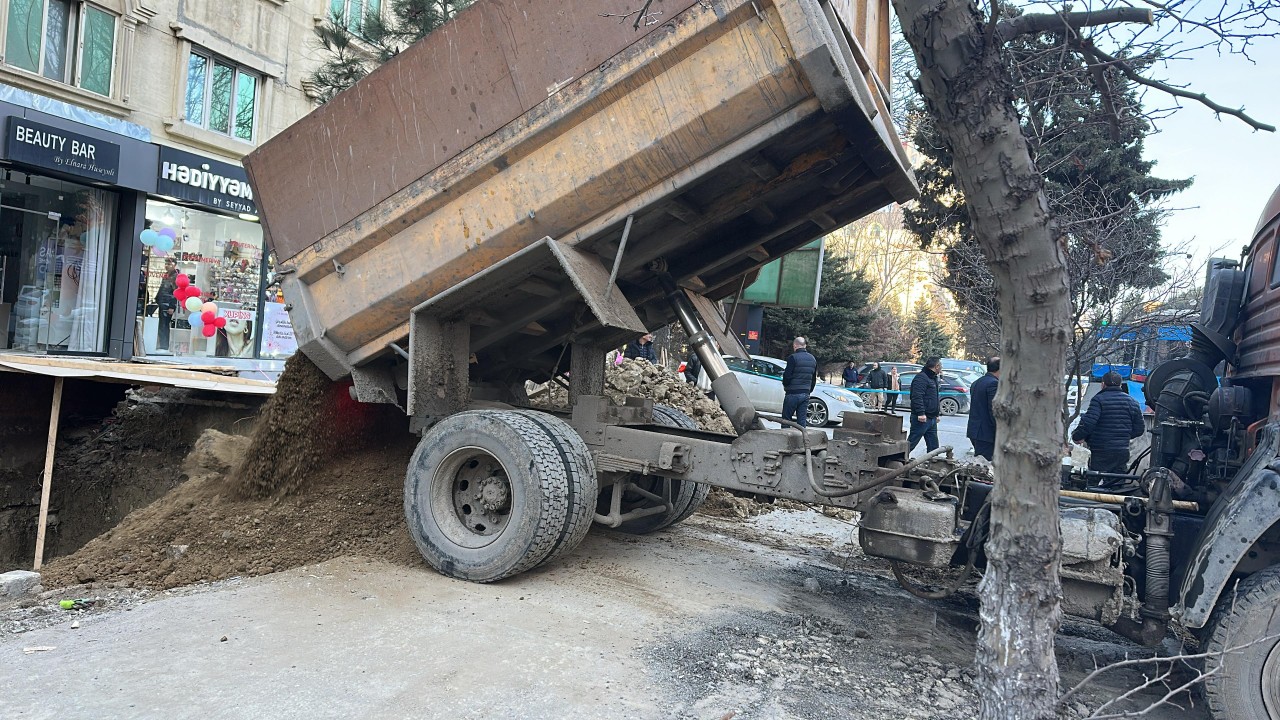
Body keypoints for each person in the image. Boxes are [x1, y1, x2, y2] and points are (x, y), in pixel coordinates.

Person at [1071, 371, 1146, 480]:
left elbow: (1089, 422)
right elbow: (1139, 429)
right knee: (1117, 483)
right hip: (1121, 451)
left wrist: (1077, 436)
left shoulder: (1098, 400)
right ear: (1120, 385)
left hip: (1101, 450)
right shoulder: (1133, 402)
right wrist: (1122, 437)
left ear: (1103, 384)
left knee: (1094, 482)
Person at [966, 357, 1000, 461]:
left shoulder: (977, 382)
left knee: (981, 462)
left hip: (975, 431)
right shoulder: (994, 384)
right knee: (986, 466)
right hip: (986, 433)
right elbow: (993, 410)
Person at [907, 357, 943, 452]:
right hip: (922, 419)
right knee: (911, 443)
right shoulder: (921, 378)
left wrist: (936, 414)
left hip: (931, 418)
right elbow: (917, 397)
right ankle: (897, 460)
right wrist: (921, 413)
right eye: (941, 366)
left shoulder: (933, 378)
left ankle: (933, 464)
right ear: (937, 366)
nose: (941, 369)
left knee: (934, 447)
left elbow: (934, 398)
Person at [781, 337, 817, 427]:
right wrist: (809, 390)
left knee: (786, 420)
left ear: (795, 345)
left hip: (792, 392)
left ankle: (786, 439)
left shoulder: (793, 358)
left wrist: (786, 385)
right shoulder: (813, 359)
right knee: (801, 421)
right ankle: (802, 439)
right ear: (805, 346)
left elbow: (787, 376)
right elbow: (813, 379)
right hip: (805, 393)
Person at [155, 258, 178, 351]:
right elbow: (162, 289)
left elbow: (176, 292)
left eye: (169, 263)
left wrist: (172, 306)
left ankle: (164, 347)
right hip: (162, 303)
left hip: (168, 304)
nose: (167, 265)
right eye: (166, 263)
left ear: (174, 265)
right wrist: (157, 299)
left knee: (164, 326)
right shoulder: (166, 275)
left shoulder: (175, 277)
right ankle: (162, 346)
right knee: (161, 325)